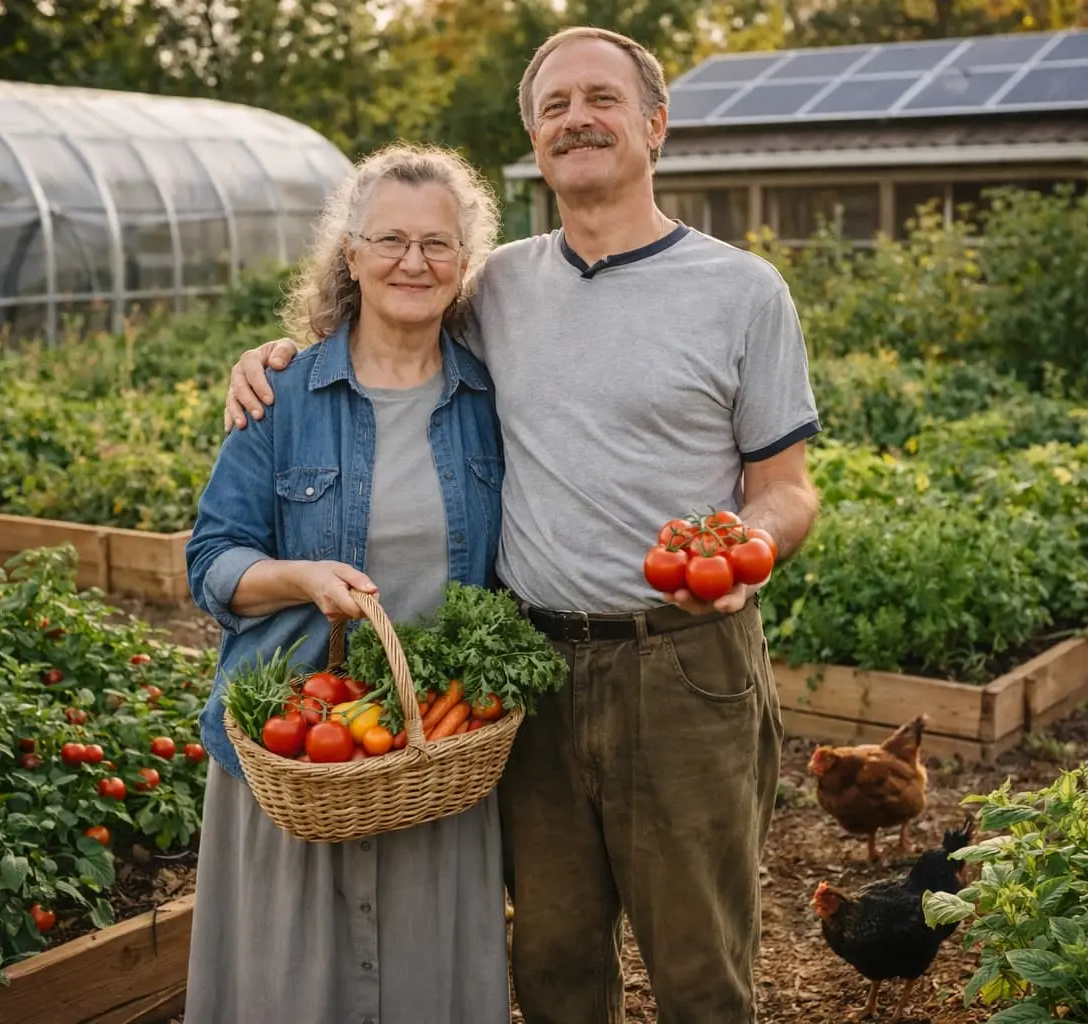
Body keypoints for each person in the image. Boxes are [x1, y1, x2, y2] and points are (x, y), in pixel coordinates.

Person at [222, 26, 822, 1024]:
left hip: (684, 665)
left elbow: (788, 486)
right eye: (554, 106)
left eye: (602, 98)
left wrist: (751, 544)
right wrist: (278, 355)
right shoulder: (493, 284)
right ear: (535, 139)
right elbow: (381, 312)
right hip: (530, 673)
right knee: (549, 961)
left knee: (701, 962)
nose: (577, 118)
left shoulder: (741, 291)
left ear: (655, 124)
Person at [182, 143, 509, 1024]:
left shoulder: (492, 399)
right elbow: (211, 563)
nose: (414, 262)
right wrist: (294, 577)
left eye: (438, 244)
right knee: (293, 987)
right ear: (352, 255)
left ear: (465, 263)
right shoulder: (282, 395)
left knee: (421, 984)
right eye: (390, 240)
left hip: (433, 751)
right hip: (301, 745)